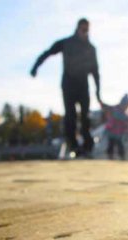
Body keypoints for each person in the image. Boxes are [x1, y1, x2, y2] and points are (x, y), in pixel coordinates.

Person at [30, 18, 100, 158]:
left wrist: (98, 93)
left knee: (85, 115)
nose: (85, 32)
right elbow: (48, 52)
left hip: (83, 86)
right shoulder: (66, 43)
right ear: (78, 28)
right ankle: (73, 145)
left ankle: (87, 146)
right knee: (70, 116)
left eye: (87, 29)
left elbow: (95, 72)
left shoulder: (91, 49)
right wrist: (36, 66)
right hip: (68, 85)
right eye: (83, 29)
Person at [101, 94, 128, 160]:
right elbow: (111, 114)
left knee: (120, 145)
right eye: (125, 105)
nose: (125, 107)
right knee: (111, 145)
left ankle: (122, 156)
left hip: (119, 133)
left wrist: (127, 133)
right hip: (111, 131)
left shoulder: (125, 115)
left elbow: (127, 126)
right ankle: (110, 156)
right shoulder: (115, 110)